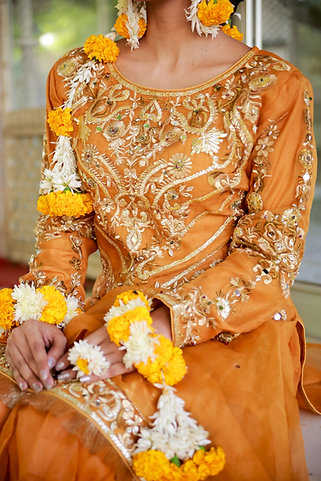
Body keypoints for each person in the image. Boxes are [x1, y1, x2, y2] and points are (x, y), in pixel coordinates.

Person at [0, 0, 320, 479]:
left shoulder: (272, 86)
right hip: (104, 315)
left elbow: (270, 256)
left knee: (48, 429)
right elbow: (64, 221)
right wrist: (38, 314)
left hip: (223, 329)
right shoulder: (74, 77)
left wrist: (160, 326)